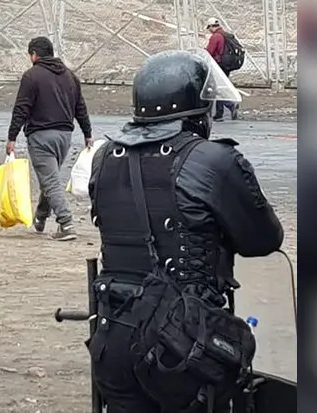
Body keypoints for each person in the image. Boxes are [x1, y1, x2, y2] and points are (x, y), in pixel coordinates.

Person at [85, 49, 285, 413]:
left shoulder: (104, 157)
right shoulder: (213, 159)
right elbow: (265, 240)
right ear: (195, 110)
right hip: (184, 344)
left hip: (112, 335)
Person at [5, 36, 93, 241]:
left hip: (41, 136)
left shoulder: (31, 76)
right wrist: (87, 133)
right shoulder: (70, 76)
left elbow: (21, 108)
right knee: (50, 178)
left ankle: (66, 223)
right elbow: (80, 107)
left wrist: (12, 137)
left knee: (51, 181)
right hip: (65, 137)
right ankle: (41, 217)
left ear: (34, 55)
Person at [205, 18, 239, 120]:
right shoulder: (225, 35)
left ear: (211, 26)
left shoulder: (215, 37)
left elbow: (209, 52)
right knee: (220, 87)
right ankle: (219, 113)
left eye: (209, 27)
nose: (209, 30)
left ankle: (230, 105)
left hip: (218, 65)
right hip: (226, 64)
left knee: (216, 89)